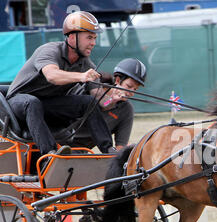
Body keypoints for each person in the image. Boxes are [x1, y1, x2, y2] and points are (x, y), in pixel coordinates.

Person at [6, 11, 115, 158]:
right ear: (71, 37)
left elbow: (100, 99)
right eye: (89, 37)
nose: (93, 43)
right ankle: (50, 154)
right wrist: (81, 76)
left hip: (46, 105)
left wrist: (113, 99)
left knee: (89, 102)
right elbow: (52, 75)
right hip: (17, 104)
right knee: (32, 102)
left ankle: (109, 152)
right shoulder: (49, 51)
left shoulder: (86, 64)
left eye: (95, 38)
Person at [71, 58, 147, 151]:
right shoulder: (94, 90)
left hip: (80, 153)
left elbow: (120, 146)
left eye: (135, 89)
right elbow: (104, 104)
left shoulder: (126, 110)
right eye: (129, 86)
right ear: (118, 80)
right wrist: (112, 100)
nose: (131, 93)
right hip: (59, 142)